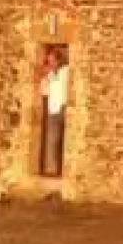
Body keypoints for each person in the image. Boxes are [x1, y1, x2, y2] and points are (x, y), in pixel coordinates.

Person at [37, 47, 69, 177]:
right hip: (53, 110)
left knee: (65, 141)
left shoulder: (66, 72)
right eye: (49, 61)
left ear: (58, 60)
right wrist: (45, 78)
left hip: (64, 108)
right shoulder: (50, 75)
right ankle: (53, 170)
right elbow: (44, 92)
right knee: (52, 140)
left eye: (52, 61)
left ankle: (64, 170)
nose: (50, 64)